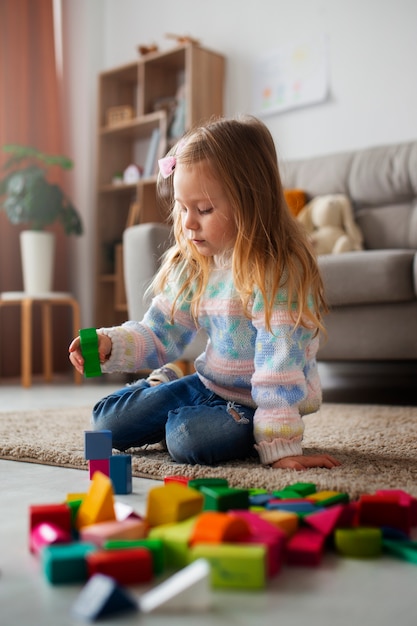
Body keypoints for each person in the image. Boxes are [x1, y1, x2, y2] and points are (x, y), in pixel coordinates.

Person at [69, 115, 341, 472]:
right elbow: (157, 333)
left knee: (186, 438)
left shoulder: (278, 272)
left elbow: (280, 369)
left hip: (255, 404)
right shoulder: (195, 262)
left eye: (204, 209)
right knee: (105, 423)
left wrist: (280, 445)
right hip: (207, 384)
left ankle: (196, 418)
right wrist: (110, 343)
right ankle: (160, 383)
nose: (188, 223)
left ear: (251, 202)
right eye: (182, 207)